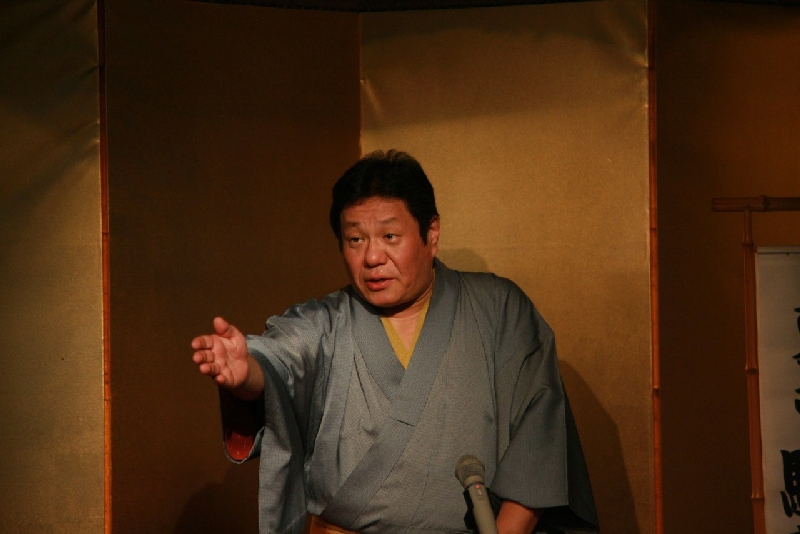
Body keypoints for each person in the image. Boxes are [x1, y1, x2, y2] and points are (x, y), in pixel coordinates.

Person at [191, 150, 598, 534]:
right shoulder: (323, 323)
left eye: (390, 236)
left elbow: (538, 439)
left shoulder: (499, 309)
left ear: (431, 232)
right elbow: (279, 360)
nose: (372, 257)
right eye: (355, 240)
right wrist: (248, 371)